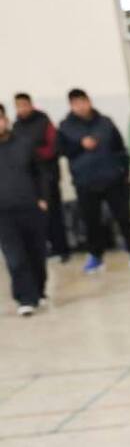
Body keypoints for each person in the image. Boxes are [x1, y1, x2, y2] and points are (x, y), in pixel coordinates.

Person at [57, 89, 130, 274]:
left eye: (83, 101)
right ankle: (95, 256)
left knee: (123, 217)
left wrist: (125, 172)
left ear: (89, 101)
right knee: (91, 221)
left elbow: (120, 148)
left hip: (113, 179)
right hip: (85, 182)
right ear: (71, 106)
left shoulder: (105, 122)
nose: (80, 106)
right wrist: (80, 145)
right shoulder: (66, 127)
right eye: (75, 103)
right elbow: (62, 151)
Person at [0, 103, 50, 316]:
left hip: (29, 206)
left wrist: (43, 198)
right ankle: (24, 298)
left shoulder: (24, 143)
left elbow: (40, 173)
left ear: (5, 120)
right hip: (3, 213)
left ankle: (37, 291)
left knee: (36, 253)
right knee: (15, 256)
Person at [13, 93, 69, 262]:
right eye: (18, 105)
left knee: (54, 214)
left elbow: (54, 147)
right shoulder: (16, 127)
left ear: (31, 104)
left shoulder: (44, 122)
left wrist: (33, 155)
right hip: (29, 181)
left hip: (48, 175)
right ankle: (47, 248)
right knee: (37, 216)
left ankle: (62, 249)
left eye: (24, 104)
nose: (22, 108)